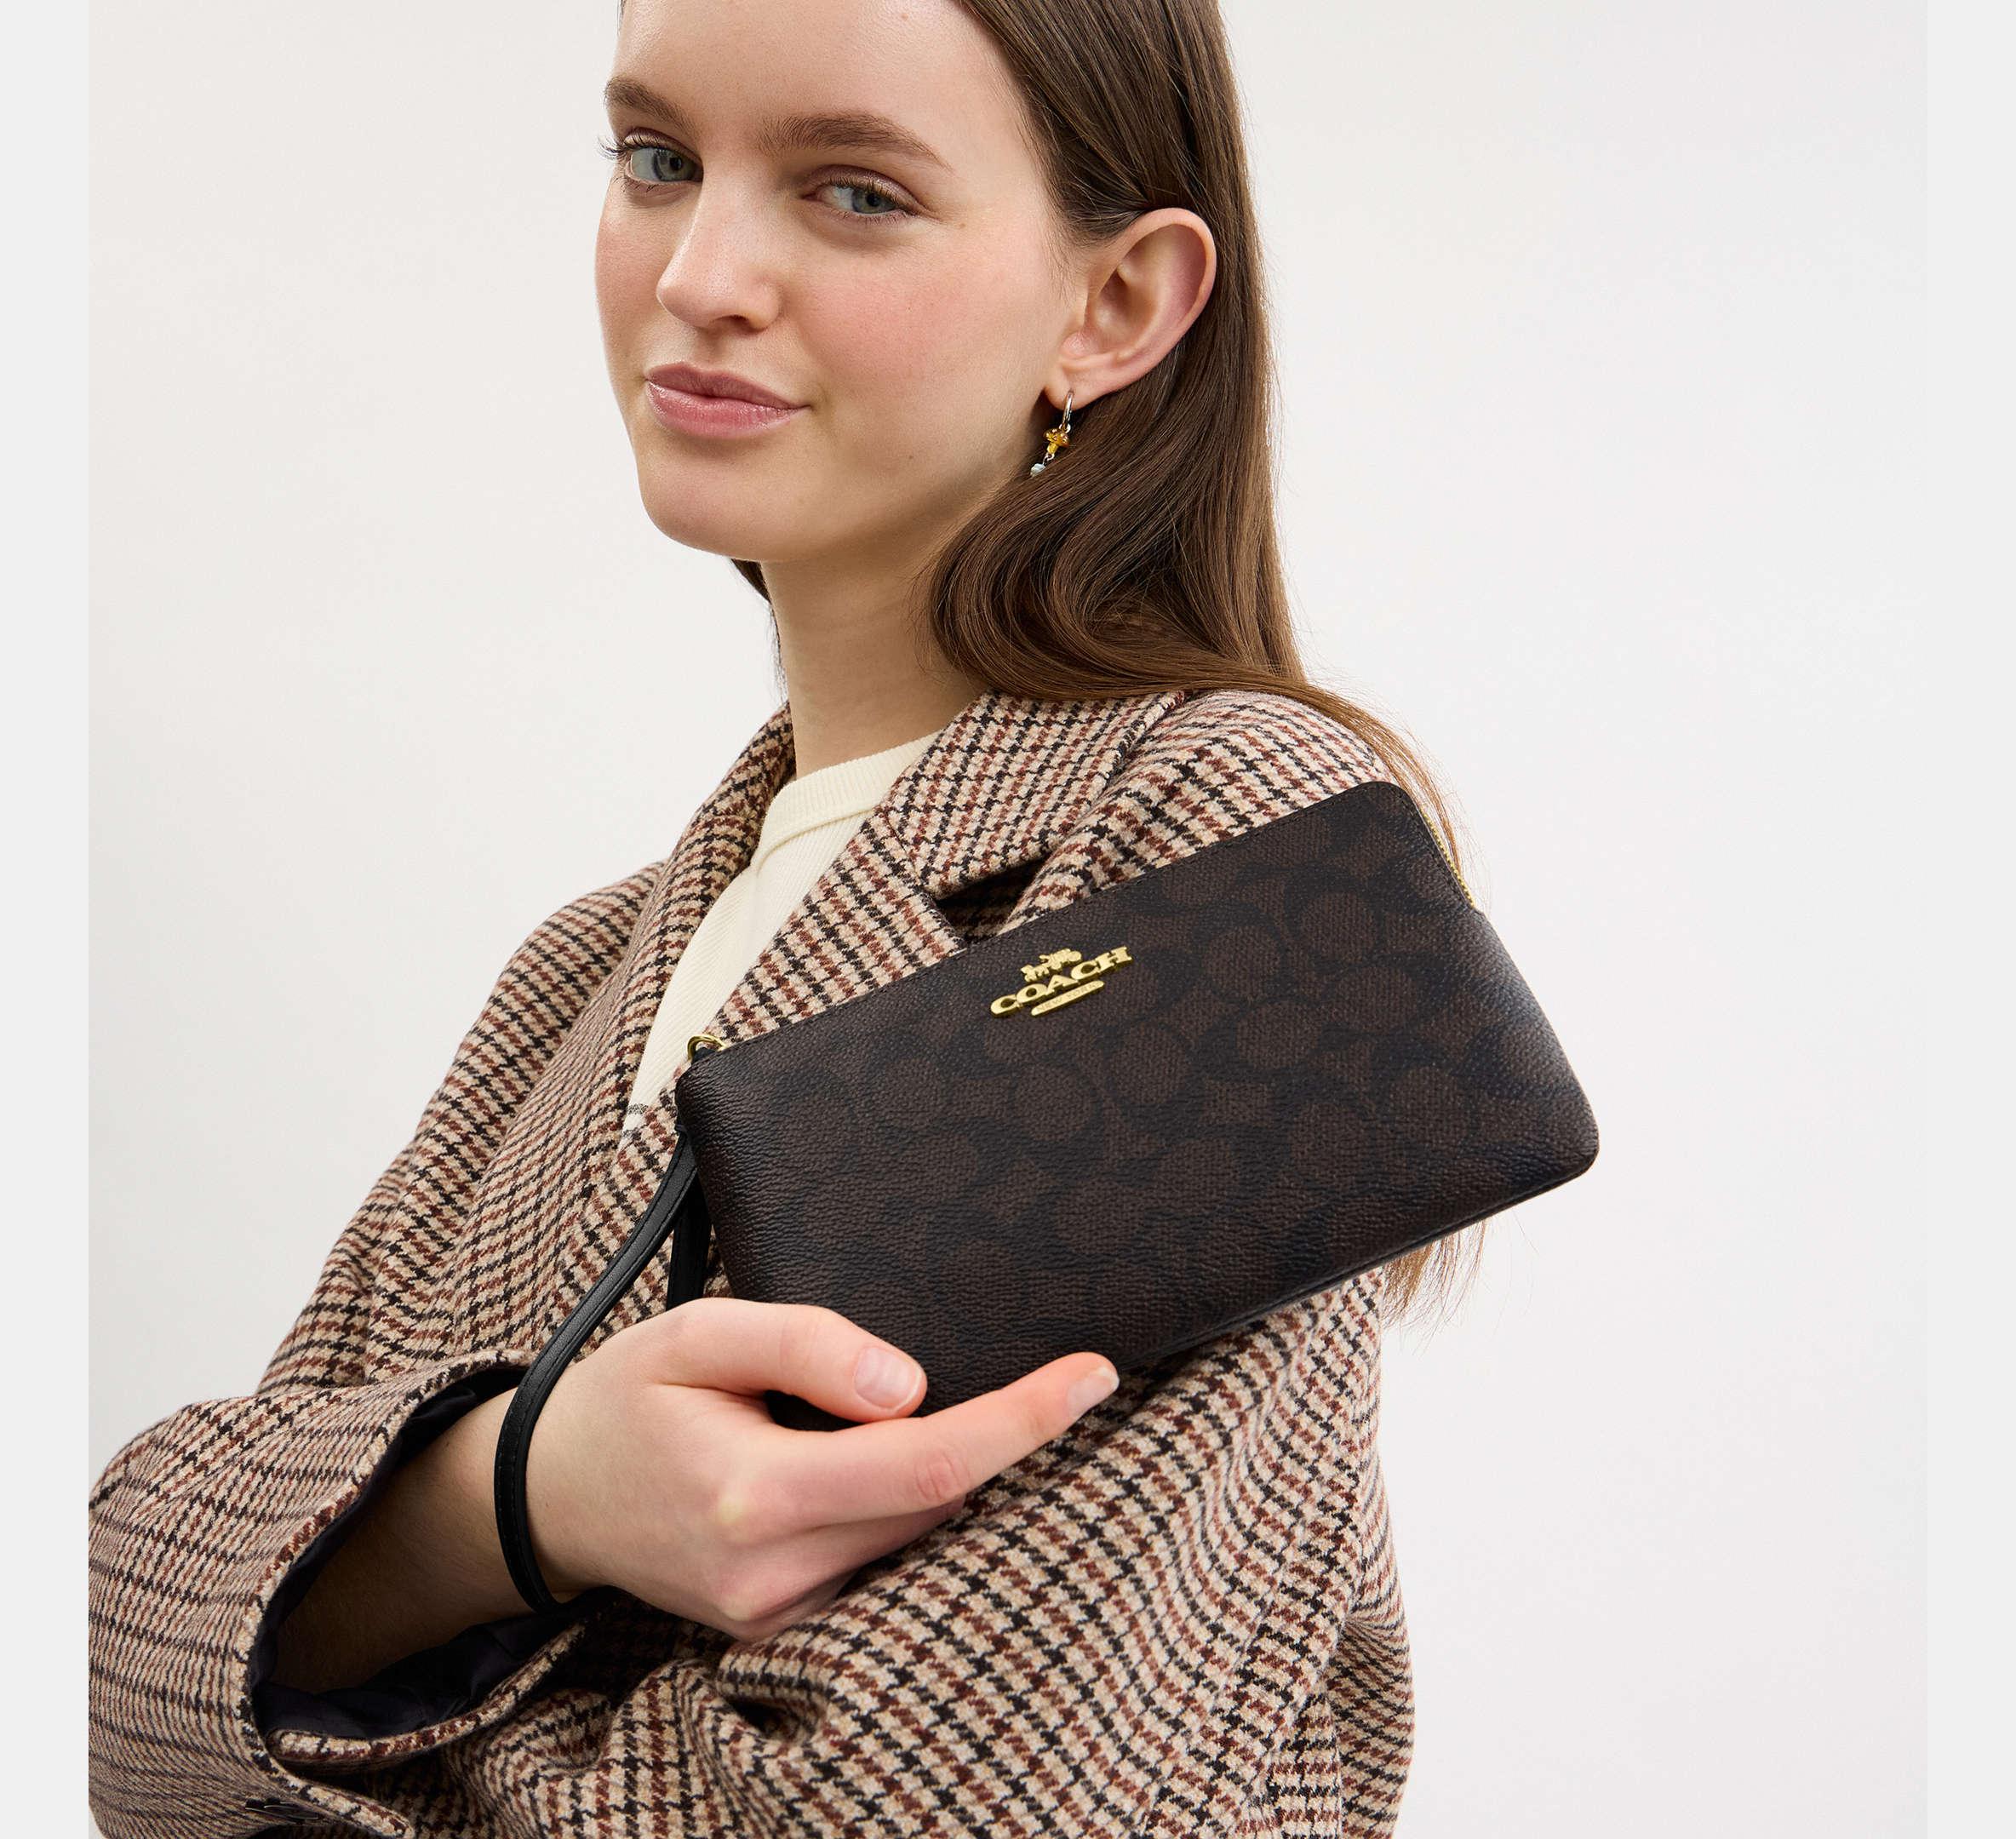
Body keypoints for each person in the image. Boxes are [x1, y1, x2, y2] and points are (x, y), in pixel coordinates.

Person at [88, 2, 1483, 1833]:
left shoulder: (1219, 837)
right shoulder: (585, 968)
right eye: (657, 159)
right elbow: (104, 1664)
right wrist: (527, 1490)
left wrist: (356, 1634)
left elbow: (921, 1805)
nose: (699, 275)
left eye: (853, 191)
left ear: (1115, 304)